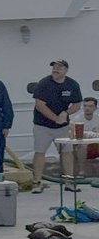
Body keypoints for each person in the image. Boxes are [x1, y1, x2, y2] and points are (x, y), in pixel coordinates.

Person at [30, 59, 83, 193]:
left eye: (59, 67)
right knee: (40, 152)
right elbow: (39, 104)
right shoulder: (44, 83)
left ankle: (69, 182)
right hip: (42, 126)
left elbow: (77, 104)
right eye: (54, 67)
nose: (55, 69)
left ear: (65, 70)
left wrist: (66, 113)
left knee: (67, 153)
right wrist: (55, 118)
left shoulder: (72, 85)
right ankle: (37, 182)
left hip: (63, 127)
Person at [73, 96, 98, 174]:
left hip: (96, 146)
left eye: (90, 106)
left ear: (95, 108)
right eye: (85, 106)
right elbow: (73, 135)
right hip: (81, 147)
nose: (87, 108)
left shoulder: (98, 118)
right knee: (82, 146)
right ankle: (81, 172)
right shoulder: (77, 120)